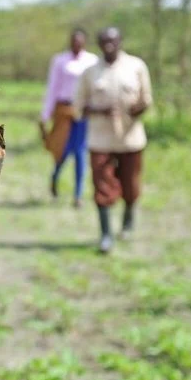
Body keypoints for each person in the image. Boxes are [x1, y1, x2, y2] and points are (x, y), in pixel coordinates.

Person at [73, 27, 153, 254]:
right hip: (101, 140)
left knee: (130, 184)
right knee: (102, 186)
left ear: (120, 42)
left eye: (113, 40)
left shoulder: (136, 66)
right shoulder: (90, 72)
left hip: (130, 139)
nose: (109, 45)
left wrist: (136, 109)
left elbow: (147, 99)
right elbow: (78, 108)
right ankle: (106, 235)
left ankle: (128, 220)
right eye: (104, 41)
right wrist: (100, 110)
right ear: (99, 44)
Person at [39, 28, 98, 207]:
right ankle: (55, 177)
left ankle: (78, 195)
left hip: (82, 112)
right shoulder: (60, 61)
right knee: (62, 150)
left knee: (80, 152)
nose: (76, 44)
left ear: (85, 42)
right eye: (74, 41)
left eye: (80, 41)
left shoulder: (92, 61)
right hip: (63, 111)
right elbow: (53, 87)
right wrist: (45, 114)